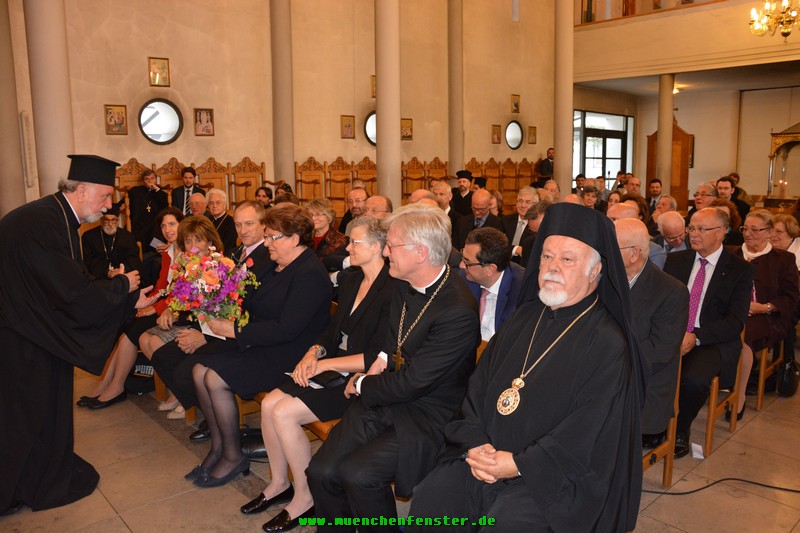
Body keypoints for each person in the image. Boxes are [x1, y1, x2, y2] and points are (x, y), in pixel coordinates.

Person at [411, 203, 644, 532]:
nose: (552, 267)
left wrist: (519, 464)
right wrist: (475, 442)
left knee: (506, 524)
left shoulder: (608, 343)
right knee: (432, 499)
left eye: (567, 259)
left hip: (554, 477)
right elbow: (479, 387)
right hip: (486, 454)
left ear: (596, 271)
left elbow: (587, 432)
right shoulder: (524, 318)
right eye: (547, 256)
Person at [306, 204, 480, 532]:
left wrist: (360, 385)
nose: (385, 252)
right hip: (386, 393)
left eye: (391, 245)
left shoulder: (457, 311)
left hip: (428, 412)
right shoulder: (402, 278)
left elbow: (414, 383)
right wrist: (380, 363)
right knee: (321, 471)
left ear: (420, 252)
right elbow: (391, 339)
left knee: (359, 474)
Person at [0, 154, 154, 514]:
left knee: (37, 411)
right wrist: (121, 288)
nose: (107, 206)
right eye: (103, 197)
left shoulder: (52, 216)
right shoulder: (44, 223)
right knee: (27, 414)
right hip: (24, 338)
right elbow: (71, 293)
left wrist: (125, 298)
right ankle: (20, 487)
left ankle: (34, 477)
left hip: (31, 330)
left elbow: (69, 284)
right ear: (81, 190)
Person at [242, 217, 393, 532]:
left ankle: (305, 497)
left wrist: (327, 364)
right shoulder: (352, 278)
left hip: (359, 381)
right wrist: (315, 352)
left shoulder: (393, 289)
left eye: (355, 242)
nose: (348, 248)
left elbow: (377, 356)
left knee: (283, 413)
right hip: (334, 367)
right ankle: (280, 483)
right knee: (270, 403)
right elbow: (331, 331)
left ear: (378, 247)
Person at [189, 204, 332, 488]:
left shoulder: (309, 273)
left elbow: (287, 328)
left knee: (215, 379)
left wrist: (234, 330)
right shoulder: (278, 264)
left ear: (293, 239)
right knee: (198, 370)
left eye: (272, 237)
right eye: (266, 237)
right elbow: (255, 304)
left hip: (290, 354)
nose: (266, 243)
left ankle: (233, 455)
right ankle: (219, 447)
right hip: (263, 341)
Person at [150, 201, 274, 440]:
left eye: (249, 224)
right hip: (220, 328)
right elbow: (214, 302)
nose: (242, 230)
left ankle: (220, 421)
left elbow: (246, 309)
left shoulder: (267, 258)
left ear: (263, 225)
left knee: (185, 371)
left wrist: (204, 337)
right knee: (163, 357)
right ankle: (214, 415)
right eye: (238, 224)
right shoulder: (237, 253)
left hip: (240, 334)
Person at [76, 208, 192, 411]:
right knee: (127, 328)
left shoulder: (187, 251)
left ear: (182, 224)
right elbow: (162, 285)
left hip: (181, 310)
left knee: (132, 332)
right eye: (163, 226)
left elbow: (183, 292)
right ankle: (106, 384)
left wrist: (155, 307)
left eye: (172, 224)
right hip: (165, 304)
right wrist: (148, 301)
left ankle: (116, 387)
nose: (167, 229)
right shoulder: (168, 253)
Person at [662, 208, 754, 458]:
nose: (694, 234)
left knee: (693, 380)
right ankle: (656, 424)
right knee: (644, 366)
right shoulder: (676, 261)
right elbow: (661, 304)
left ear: (722, 232)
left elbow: (734, 322)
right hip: (674, 334)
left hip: (712, 340)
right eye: (692, 228)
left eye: (702, 229)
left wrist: (696, 335)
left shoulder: (739, 270)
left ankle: (680, 429)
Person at [615, 218, 688, 449]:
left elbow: (658, 353)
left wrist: (605, 361)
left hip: (640, 380)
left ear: (634, 253)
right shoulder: (603, 278)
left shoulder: (670, 291)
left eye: (611, 246)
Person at [731, 210, 799, 418]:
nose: (748, 234)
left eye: (755, 230)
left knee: (743, 337)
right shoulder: (732, 253)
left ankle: (738, 395)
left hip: (767, 316)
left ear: (769, 232)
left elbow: (791, 297)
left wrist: (766, 307)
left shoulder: (784, 259)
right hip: (732, 312)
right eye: (745, 229)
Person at [460, 227, 525, 341]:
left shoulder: (523, 290)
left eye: (467, 262)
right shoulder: (462, 279)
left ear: (490, 269)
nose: (461, 266)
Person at [81, 204, 142, 280]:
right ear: (101, 220)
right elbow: (88, 261)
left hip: (124, 276)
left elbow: (133, 259)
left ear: (117, 220)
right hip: (98, 278)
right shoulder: (89, 237)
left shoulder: (128, 237)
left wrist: (122, 270)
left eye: (113, 220)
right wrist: (106, 272)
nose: (110, 224)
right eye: (106, 220)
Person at [128, 168, 168, 249]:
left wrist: (156, 189)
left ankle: (155, 253)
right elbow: (124, 202)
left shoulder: (160, 192)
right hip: (140, 225)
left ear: (156, 180)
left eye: (152, 178)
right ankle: (144, 255)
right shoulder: (136, 191)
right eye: (147, 179)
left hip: (155, 224)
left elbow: (165, 204)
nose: (150, 181)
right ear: (143, 181)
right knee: (139, 240)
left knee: (157, 241)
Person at [306, 198, 348, 263]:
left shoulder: (341, 241)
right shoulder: (304, 238)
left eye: (318, 214)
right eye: (310, 215)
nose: (313, 218)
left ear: (330, 217)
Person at [502, 187, 536, 258]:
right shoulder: (505, 220)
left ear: (535, 205)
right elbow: (497, 244)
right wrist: (516, 249)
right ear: (516, 203)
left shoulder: (536, 226)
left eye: (528, 202)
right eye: (520, 201)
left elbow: (529, 251)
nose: (523, 205)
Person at [205, 188, 237, 253]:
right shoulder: (207, 220)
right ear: (208, 205)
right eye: (211, 203)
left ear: (224, 205)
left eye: (218, 202)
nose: (214, 206)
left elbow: (229, 246)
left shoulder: (231, 222)